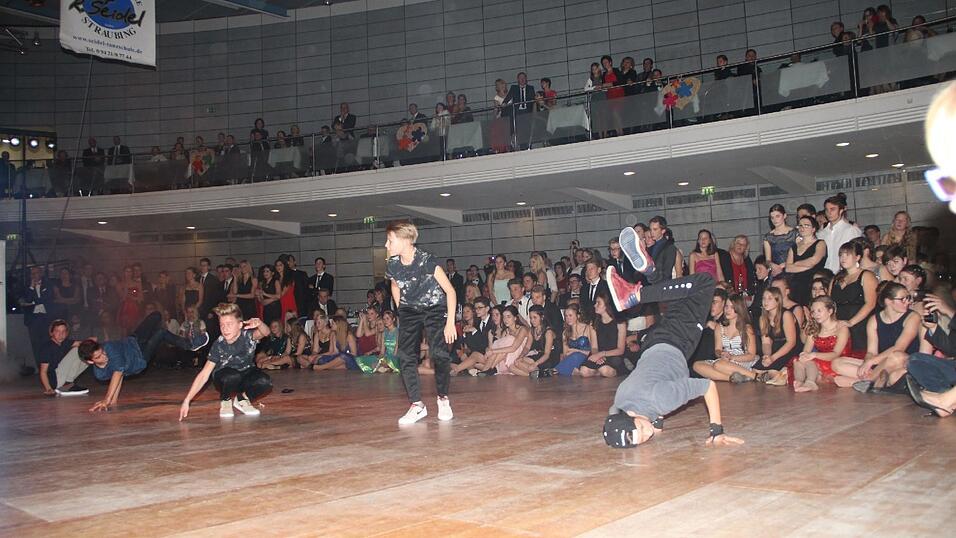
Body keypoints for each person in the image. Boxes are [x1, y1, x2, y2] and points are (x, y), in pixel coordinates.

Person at [602, 226, 744, 449]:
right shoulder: (620, 401)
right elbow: (615, 414)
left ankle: (636, 295)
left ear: (631, 417)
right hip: (653, 343)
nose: (646, 433)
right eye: (641, 438)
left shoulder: (662, 399)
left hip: (678, 339)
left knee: (705, 282)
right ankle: (650, 270)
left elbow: (707, 387)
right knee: (676, 292)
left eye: (640, 428)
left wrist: (717, 431)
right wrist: (653, 420)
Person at [385, 220, 458, 425]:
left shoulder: (426, 261)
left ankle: (443, 399)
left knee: (439, 355)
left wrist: (450, 322)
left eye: (390, 241)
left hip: (434, 309)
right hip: (410, 310)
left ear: (405, 240)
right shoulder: (392, 263)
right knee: (405, 356)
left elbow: (450, 291)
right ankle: (417, 405)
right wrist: (402, 310)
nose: (386, 245)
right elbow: (395, 285)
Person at [79, 311, 209, 412]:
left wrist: (111, 401)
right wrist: (109, 400)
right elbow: (118, 373)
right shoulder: (99, 374)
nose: (104, 356)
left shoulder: (109, 348)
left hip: (134, 340)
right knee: (161, 333)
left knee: (156, 315)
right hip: (140, 357)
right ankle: (190, 344)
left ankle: (176, 339)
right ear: (90, 362)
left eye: (102, 352)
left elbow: (118, 374)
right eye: (98, 357)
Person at [179, 303, 272, 420]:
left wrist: (259, 323)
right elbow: (204, 374)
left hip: (245, 375)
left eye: (229, 324)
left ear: (240, 325)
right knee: (232, 376)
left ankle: (242, 400)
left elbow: (266, 332)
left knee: (265, 381)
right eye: (222, 325)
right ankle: (225, 400)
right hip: (225, 378)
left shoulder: (248, 336)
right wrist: (187, 400)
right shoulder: (219, 344)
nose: (225, 328)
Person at [832, 282, 919, 392]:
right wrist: (867, 363)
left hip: (903, 363)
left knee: (896, 357)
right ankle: (876, 380)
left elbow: (899, 348)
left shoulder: (912, 317)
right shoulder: (874, 320)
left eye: (908, 298)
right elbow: (872, 352)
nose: (908, 302)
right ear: (888, 301)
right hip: (881, 364)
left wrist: (871, 362)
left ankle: (866, 382)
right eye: (903, 299)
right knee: (837, 363)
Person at [793, 296, 852, 392]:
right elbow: (806, 350)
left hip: (837, 361)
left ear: (830, 311)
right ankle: (799, 381)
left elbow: (836, 354)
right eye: (813, 311)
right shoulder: (815, 329)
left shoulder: (841, 328)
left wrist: (813, 355)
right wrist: (805, 355)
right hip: (820, 359)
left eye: (819, 311)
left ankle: (810, 382)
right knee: (799, 360)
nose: (816, 314)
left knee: (812, 362)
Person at [578, 293, 627, 378]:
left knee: (605, 370)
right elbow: (594, 347)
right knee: (583, 371)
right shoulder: (594, 323)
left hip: (613, 355)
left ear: (606, 305)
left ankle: (613, 371)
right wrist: (597, 356)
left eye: (598, 303)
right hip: (598, 354)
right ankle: (598, 371)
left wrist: (601, 354)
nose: (595, 305)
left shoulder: (620, 323)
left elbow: (620, 350)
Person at [38, 319, 90, 396]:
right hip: (55, 379)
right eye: (57, 331)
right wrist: (48, 388)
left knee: (87, 355)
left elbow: (81, 343)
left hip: (62, 378)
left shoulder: (65, 342)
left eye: (63, 331)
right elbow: (43, 371)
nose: (60, 334)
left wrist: (91, 341)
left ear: (67, 333)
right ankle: (66, 384)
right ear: (51, 333)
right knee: (77, 350)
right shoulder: (47, 347)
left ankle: (67, 385)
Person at [785, 215, 828, 306]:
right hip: (796, 286)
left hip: (813, 284)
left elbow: (813, 261)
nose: (802, 228)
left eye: (806, 225)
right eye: (800, 225)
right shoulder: (794, 247)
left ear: (813, 229)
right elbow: (788, 268)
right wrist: (807, 265)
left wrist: (796, 264)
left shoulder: (820, 243)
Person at [817, 193, 862, 273]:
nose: (829, 213)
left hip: (844, 273)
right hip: (824, 274)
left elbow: (858, 253)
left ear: (841, 210)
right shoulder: (821, 233)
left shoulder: (851, 230)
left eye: (832, 209)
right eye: (827, 210)